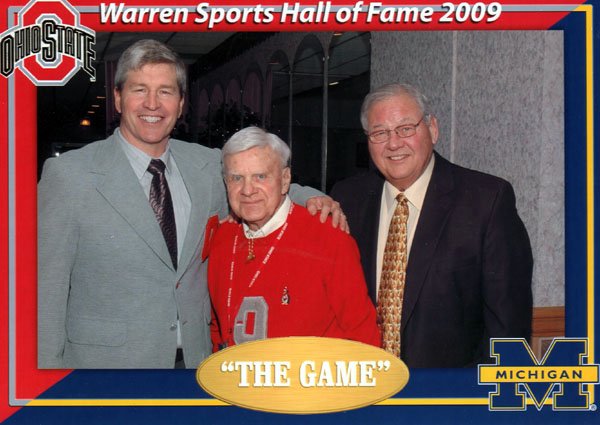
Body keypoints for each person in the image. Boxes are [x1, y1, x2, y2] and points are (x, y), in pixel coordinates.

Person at [37, 39, 344, 369]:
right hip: (106, 370)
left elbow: (260, 184)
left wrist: (312, 197)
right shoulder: (70, 175)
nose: (152, 104)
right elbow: (44, 292)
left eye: (165, 92)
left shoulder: (207, 166)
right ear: (117, 98)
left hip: (196, 364)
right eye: (140, 90)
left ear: (181, 103)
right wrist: (45, 383)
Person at [330, 83, 533, 368]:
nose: (393, 143)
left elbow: (508, 327)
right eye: (380, 133)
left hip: (450, 391)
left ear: (433, 129)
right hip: (365, 385)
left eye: (405, 129)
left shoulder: (486, 201)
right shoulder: (347, 199)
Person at [208, 127, 380, 350]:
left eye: (260, 176)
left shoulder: (328, 238)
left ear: (285, 179)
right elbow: (218, 329)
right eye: (237, 178)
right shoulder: (222, 238)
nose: (247, 190)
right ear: (226, 182)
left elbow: (364, 337)